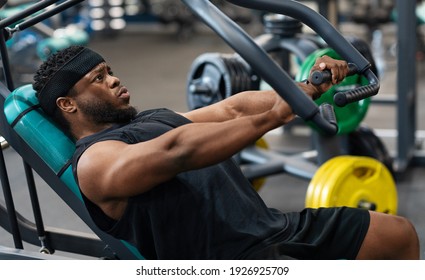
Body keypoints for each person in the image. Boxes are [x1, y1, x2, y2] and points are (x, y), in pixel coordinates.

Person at [32, 45, 419, 260]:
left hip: (272, 230)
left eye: (109, 69)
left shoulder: (148, 119)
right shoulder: (95, 161)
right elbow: (177, 152)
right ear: (68, 105)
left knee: (398, 235)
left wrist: (308, 87)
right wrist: (278, 114)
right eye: (98, 78)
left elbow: (232, 110)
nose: (114, 78)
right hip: (229, 262)